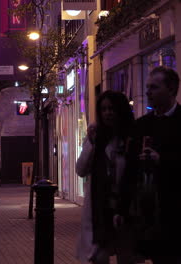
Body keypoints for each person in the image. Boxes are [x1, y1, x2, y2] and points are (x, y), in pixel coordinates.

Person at [117, 66, 181, 263]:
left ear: (171, 89)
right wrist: (122, 208)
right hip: (148, 214)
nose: (147, 92)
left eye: (154, 87)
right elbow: (129, 170)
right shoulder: (141, 125)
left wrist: (162, 160)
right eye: (147, 87)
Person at [75, 91, 137, 264]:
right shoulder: (96, 138)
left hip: (125, 207)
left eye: (112, 108)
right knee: (99, 256)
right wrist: (91, 144)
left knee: (126, 255)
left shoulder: (130, 138)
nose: (107, 113)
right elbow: (80, 169)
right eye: (103, 109)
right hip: (100, 209)